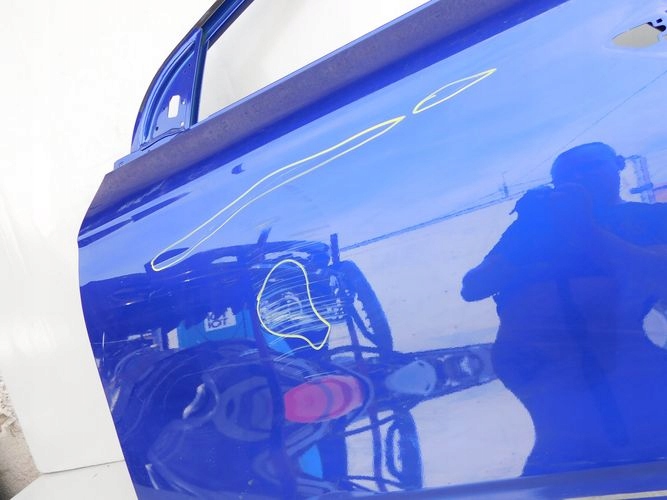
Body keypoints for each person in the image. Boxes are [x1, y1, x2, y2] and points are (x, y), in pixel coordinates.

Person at [461, 143, 667, 475]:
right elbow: (473, 286)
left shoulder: (651, 218)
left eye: (590, 166)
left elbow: (657, 272)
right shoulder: (532, 230)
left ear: (618, 165)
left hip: (630, 374)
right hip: (549, 391)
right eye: (567, 175)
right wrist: (527, 234)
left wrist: (585, 229)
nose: (579, 178)